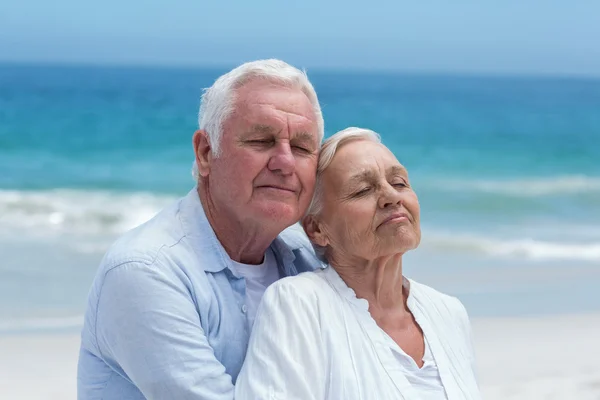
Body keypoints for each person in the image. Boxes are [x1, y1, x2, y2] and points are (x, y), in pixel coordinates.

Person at [77, 59, 325, 400]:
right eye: (261, 141)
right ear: (206, 153)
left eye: (300, 148)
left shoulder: (307, 259)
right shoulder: (146, 270)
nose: (284, 162)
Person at [236, 127, 481, 400]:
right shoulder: (299, 304)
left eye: (399, 183)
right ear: (317, 229)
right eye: (363, 190)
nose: (392, 197)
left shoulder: (447, 312)